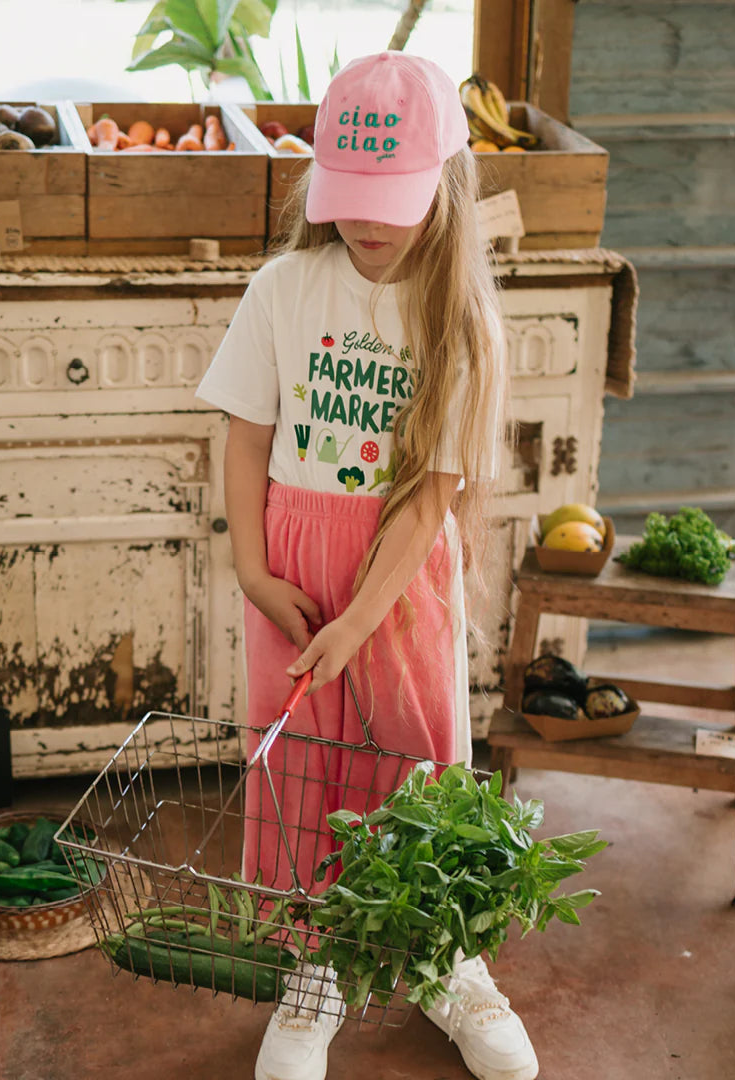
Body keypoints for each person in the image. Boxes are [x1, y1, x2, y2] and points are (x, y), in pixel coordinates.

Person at [196, 50, 539, 1080]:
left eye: (390, 200)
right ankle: (316, 966)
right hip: (295, 565)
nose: (369, 224)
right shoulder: (283, 287)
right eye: (349, 201)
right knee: (304, 764)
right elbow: (248, 438)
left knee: (416, 758)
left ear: (447, 180)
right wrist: (255, 574)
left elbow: (430, 493)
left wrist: (359, 621)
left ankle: (445, 957)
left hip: (398, 578)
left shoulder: (460, 316)